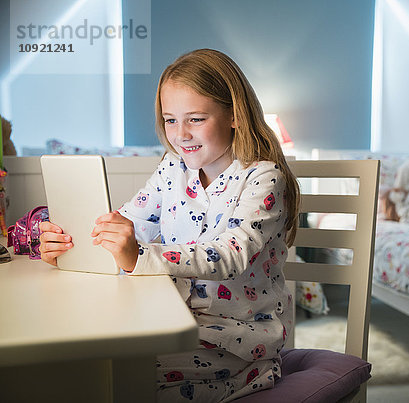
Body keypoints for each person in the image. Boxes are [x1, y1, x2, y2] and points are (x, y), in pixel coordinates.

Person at [39, 48, 300, 402]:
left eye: (195, 119)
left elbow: (230, 254)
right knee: (79, 351)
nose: (181, 134)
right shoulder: (173, 168)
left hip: (237, 341)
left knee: (112, 370)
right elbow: (130, 223)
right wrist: (74, 245)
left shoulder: (262, 178)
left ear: (234, 115)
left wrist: (139, 255)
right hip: (169, 317)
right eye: (170, 120)